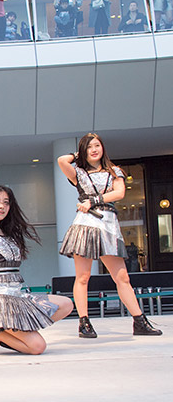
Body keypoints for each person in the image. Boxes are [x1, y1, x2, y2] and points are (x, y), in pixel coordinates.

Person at [58, 133, 162, 337]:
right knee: (83, 277)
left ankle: (139, 321)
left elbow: (119, 193)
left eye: (97, 145)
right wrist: (78, 154)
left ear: (103, 148)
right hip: (85, 225)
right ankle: (84, 323)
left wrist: (93, 201)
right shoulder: (78, 173)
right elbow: (62, 160)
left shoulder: (114, 171)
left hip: (108, 226)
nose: (94, 150)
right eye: (89, 147)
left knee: (122, 276)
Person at [0, 185, 73, 354]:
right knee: (38, 347)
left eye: (6, 202)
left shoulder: (6, 232)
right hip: (0, 302)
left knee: (66, 304)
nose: (2, 206)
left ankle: (14, 336)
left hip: (18, 297)